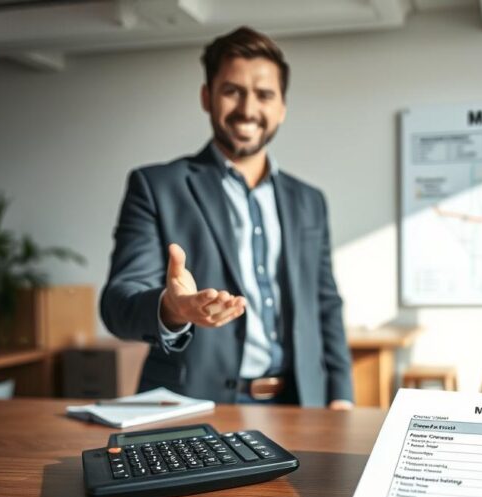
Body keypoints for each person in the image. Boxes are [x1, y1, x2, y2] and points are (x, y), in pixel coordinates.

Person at [101, 27, 352, 409]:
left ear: (282, 106)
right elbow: (118, 305)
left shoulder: (310, 201)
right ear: (207, 97)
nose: (248, 109)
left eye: (264, 94)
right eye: (232, 90)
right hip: (190, 406)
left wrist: (340, 396)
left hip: (301, 404)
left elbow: (325, 303)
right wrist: (172, 309)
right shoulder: (155, 186)